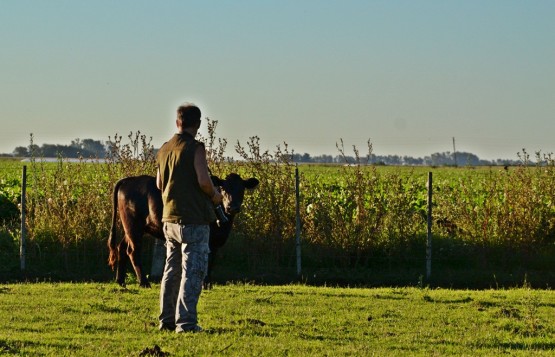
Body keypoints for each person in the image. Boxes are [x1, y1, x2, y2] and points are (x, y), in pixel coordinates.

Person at [156, 103, 223, 333]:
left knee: (171, 271)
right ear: (199, 124)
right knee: (193, 271)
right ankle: (186, 323)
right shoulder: (196, 149)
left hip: (169, 220)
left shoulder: (164, 149)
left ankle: (166, 320)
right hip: (193, 220)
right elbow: (204, 181)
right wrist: (216, 196)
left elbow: (158, 183)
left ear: (178, 122)